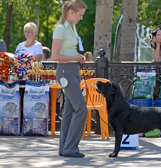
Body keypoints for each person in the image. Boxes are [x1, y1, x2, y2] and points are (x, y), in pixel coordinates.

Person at [51, 0, 88, 158]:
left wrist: (77, 57)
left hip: (73, 70)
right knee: (81, 108)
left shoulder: (72, 27)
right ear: (71, 12)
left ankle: (64, 148)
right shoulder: (60, 29)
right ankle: (71, 147)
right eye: (80, 15)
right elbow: (55, 56)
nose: (81, 18)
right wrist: (75, 56)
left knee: (70, 110)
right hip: (65, 71)